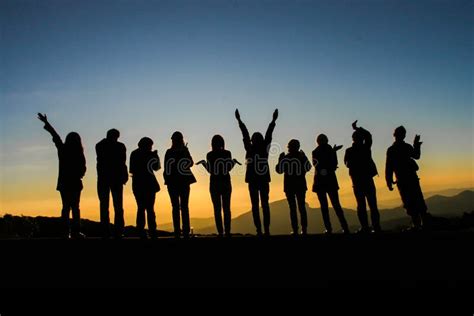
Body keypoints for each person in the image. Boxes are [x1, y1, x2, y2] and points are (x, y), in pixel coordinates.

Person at [37, 113, 86, 239]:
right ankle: (75, 232)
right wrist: (79, 175)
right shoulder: (79, 153)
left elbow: (55, 136)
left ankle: (65, 232)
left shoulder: (63, 149)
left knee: (65, 207)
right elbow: (83, 169)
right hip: (75, 183)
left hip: (64, 183)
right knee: (75, 208)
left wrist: (47, 123)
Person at [235, 108, 278, 236]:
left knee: (255, 206)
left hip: (253, 180)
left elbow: (245, 133)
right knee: (265, 204)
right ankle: (266, 230)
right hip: (263, 179)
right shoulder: (264, 148)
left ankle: (259, 230)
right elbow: (269, 134)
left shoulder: (249, 148)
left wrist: (239, 120)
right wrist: (273, 121)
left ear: (252, 140)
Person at [197, 135, 241, 237]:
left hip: (214, 183)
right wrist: (233, 162)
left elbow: (210, 170)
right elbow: (228, 168)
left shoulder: (210, 155)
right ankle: (228, 231)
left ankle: (220, 232)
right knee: (226, 208)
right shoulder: (227, 153)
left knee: (217, 209)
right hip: (225, 182)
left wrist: (203, 163)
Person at [386, 126, 428, 231]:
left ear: (394, 135)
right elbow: (417, 155)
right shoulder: (406, 147)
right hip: (411, 178)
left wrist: (389, 181)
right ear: (404, 135)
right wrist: (416, 144)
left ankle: (417, 225)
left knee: (409, 202)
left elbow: (389, 167)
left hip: (402, 180)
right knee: (418, 200)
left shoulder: (391, 150)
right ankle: (423, 224)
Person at [344, 121, 381, 233]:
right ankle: (376, 227)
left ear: (353, 139)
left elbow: (347, 164)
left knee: (361, 205)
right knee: (372, 205)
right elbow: (369, 136)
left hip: (357, 181)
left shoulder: (349, 151)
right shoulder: (366, 148)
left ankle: (365, 227)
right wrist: (358, 128)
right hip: (367, 180)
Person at [312, 134, 349, 234]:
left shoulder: (315, 152)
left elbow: (316, 165)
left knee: (324, 207)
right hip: (331, 181)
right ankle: (345, 227)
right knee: (336, 205)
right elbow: (334, 164)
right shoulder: (330, 151)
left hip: (319, 182)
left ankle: (329, 229)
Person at [96, 129, 128, 239]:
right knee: (118, 206)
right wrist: (124, 176)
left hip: (104, 179)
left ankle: (106, 231)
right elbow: (122, 163)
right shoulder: (120, 146)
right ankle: (118, 231)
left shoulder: (100, 145)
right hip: (116, 179)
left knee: (105, 206)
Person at [276, 139, 312, 236]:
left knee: (292, 208)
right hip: (300, 185)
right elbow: (308, 167)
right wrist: (304, 157)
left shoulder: (286, 158)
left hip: (289, 186)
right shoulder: (301, 157)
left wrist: (280, 160)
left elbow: (279, 171)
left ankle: (295, 230)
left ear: (289, 147)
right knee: (302, 207)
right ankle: (304, 230)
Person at [164, 132, 196, 238]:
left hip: (173, 183)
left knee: (176, 207)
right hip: (183, 182)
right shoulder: (184, 150)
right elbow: (191, 163)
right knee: (184, 207)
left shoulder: (169, 152)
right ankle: (185, 231)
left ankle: (177, 231)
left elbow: (166, 169)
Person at [130, 137, 160, 239]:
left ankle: (141, 231)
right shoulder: (149, 154)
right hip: (149, 184)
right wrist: (155, 157)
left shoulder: (134, 154)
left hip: (138, 184)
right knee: (150, 209)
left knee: (141, 208)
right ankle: (152, 231)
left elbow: (132, 170)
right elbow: (156, 168)